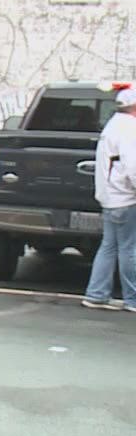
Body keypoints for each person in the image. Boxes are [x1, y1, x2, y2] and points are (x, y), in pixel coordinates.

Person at [82, 86, 136, 311]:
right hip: (125, 197)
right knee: (129, 248)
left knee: (109, 246)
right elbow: (132, 165)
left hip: (110, 197)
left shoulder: (113, 125)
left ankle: (96, 294)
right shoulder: (130, 129)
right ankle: (132, 299)